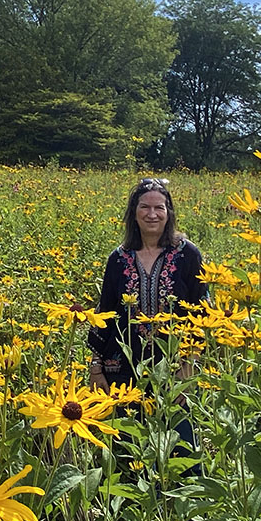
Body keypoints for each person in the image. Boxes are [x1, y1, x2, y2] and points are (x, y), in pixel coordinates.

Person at [87, 178, 207, 470]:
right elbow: (105, 312)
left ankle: (184, 513)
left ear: (169, 212)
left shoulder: (188, 255)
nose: (152, 214)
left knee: (183, 450)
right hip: (125, 368)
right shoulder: (118, 259)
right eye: (145, 207)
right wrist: (95, 365)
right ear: (134, 212)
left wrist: (188, 367)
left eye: (159, 207)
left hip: (174, 369)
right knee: (128, 453)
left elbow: (203, 313)